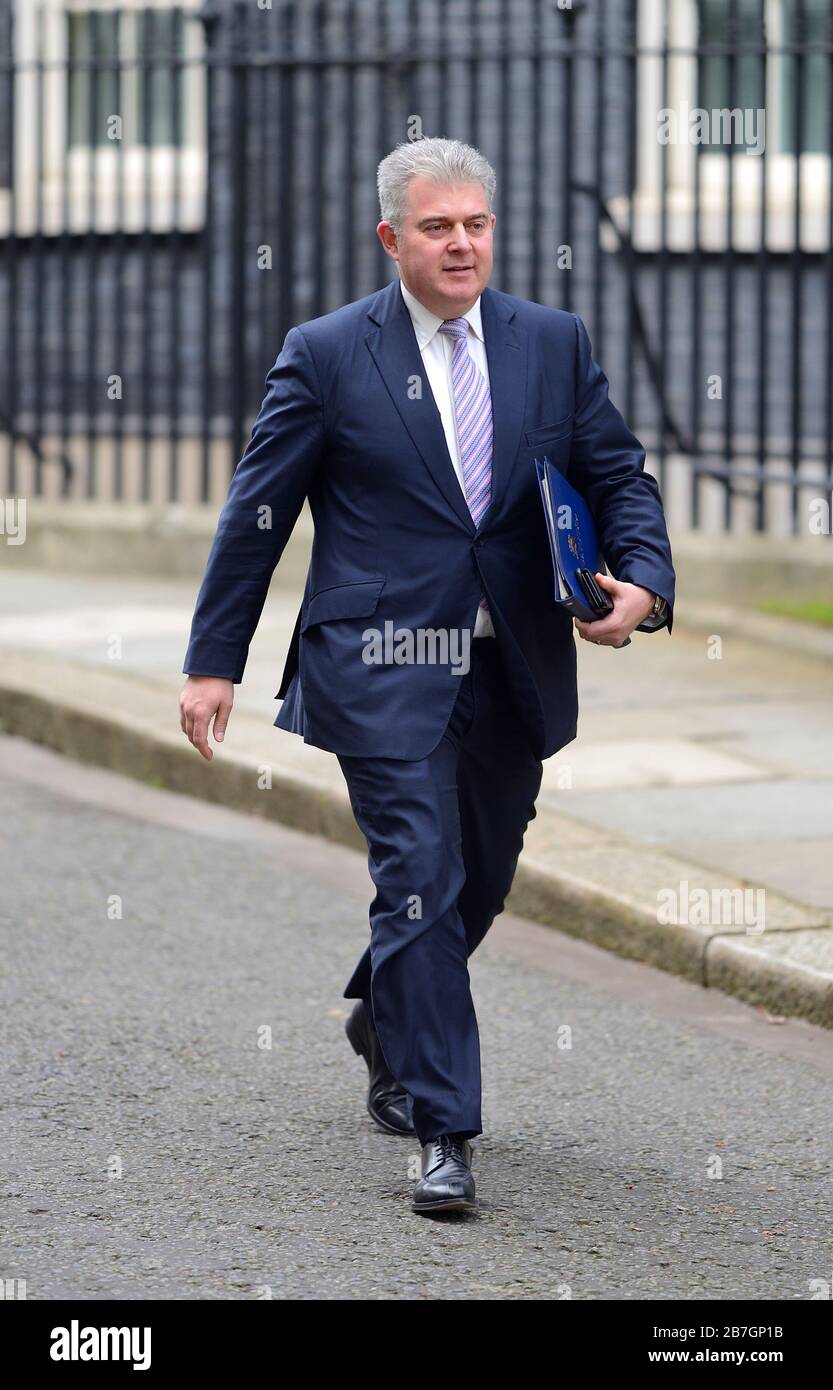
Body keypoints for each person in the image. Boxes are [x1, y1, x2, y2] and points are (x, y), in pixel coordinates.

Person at [179, 137, 675, 1216]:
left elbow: (615, 473)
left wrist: (643, 578)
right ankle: (443, 1127)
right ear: (390, 238)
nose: (460, 244)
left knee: (477, 878)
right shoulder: (325, 353)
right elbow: (256, 515)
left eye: (476, 225)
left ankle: (379, 1013)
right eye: (437, 226)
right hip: (379, 666)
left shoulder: (551, 342)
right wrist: (213, 662)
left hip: (512, 667)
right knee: (418, 873)